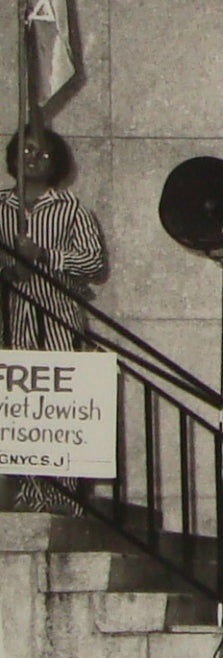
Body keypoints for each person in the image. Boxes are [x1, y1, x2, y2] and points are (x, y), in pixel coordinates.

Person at [0, 126, 106, 514]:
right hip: (12, 319)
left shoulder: (72, 208)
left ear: (56, 163)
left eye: (43, 154)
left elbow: (94, 263)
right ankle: (28, 493)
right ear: (13, 157)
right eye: (26, 150)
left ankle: (63, 496)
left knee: (59, 407)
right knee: (20, 409)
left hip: (58, 318)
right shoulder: (0, 206)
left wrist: (45, 255)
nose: (33, 158)